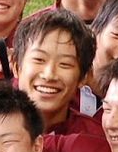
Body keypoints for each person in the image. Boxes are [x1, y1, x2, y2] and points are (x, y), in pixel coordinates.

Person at [12, 9, 103, 138]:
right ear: (16, 66)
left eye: (65, 64)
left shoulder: (95, 138)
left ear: (84, 77)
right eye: (39, 60)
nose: (49, 75)